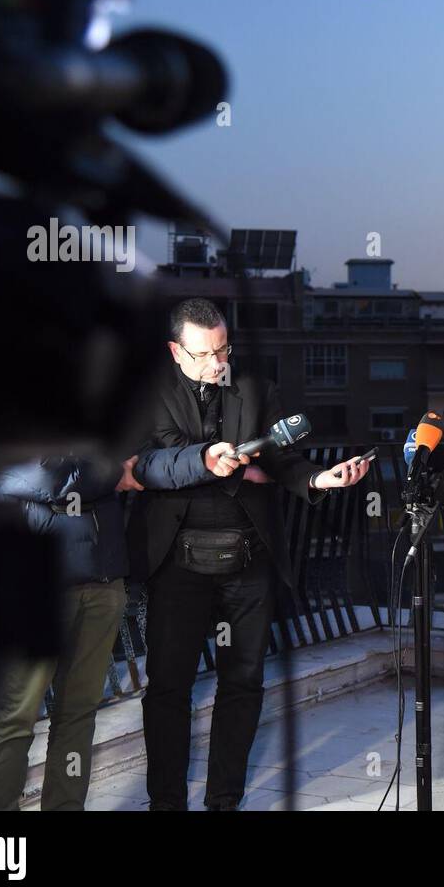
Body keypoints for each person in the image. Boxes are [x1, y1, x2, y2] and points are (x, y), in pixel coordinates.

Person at [129, 297, 369, 810]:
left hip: (249, 561)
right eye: (205, 354)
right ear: (176, 351)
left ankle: (224, 800)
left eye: (224, 349)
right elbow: (148, 464)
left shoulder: (258, 391)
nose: (218, 363)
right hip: (176, 564)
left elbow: (285, 463)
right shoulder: (151, 394)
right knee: (169, 688)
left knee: (243, 683)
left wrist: (319, 479)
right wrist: (204, 458)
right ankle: (165, 802)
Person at [0, 454, 135, 810]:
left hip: (101, 578)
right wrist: (110, 470)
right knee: (16, 717)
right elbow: (42, 475)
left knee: (78, 713)